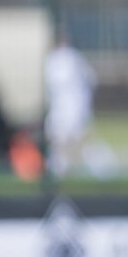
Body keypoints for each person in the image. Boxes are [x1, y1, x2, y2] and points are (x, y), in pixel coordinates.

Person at [45, 34, 110, 178]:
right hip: (74, 108)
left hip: (67, 110)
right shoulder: (73, 57)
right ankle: (101, 172)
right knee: (70, 144)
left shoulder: (57, 59)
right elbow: (91, 80)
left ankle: (102, 171)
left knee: (76, 144)